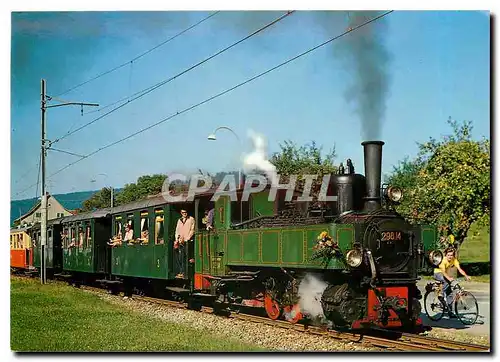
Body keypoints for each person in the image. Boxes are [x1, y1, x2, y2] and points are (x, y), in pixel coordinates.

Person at [434, 247, 471, 317]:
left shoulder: (454, 260)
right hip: (438, 273)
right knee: (446, 281)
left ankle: (450, 312)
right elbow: (444, 273)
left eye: (451, 255)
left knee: (450, 293)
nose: (450, 257)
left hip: (445, 274)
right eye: (448, 255)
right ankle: (440, 294)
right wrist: (449, 278)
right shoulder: (443, 261)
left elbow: (459, 269)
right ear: (445, 255)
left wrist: (466, 275)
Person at [174, 209, 195, 278]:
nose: (184, 214)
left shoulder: (191, 219)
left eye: (185, 212)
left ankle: (185, 272)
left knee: (187, 256)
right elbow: (177, 230)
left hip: (188, 240)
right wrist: (177, 239)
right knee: (181, 257)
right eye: (183, 212)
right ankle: (181, 272)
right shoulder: (179, 220)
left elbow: (192, 229)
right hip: (181, 241)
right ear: (181, 213)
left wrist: (188, 238)